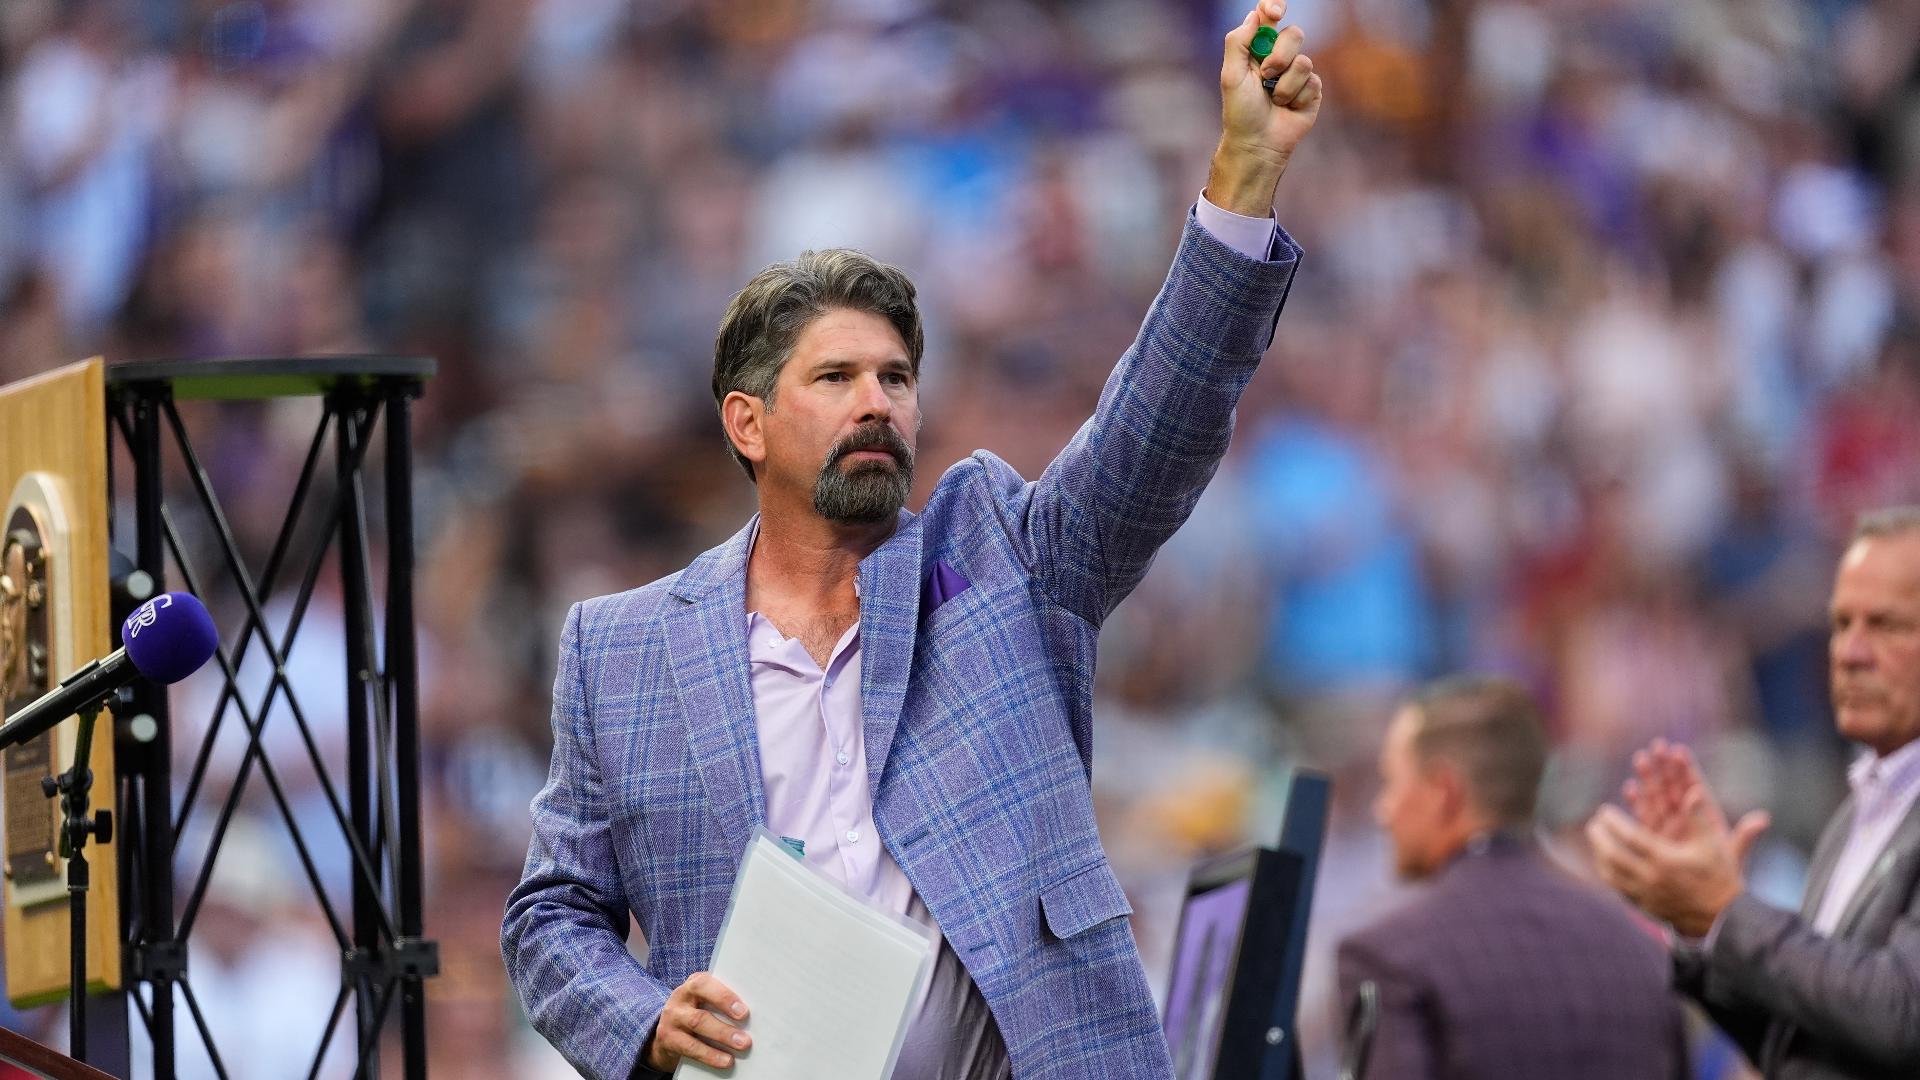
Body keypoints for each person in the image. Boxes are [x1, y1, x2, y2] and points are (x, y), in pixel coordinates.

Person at [499, 4, 1323, 1078]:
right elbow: (552, 915)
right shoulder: (618, 652)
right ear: (747, 423)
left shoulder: (1002, 560)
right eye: (835, 379)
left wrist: (1243, 180)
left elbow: (1152, 432)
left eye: (896, 378)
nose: (877, 402)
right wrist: (645, 1022)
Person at [1588, 508, 1920, 1079]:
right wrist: (1700, 927)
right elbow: (1802, 1043)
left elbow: (1903, 1017)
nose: (1850, 652)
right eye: (1841, 624)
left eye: (1886, 625)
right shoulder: (1858, 813)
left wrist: (1728, 910)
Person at [1336, 676, 1689, 1080]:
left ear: (1442, 792)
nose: (1384, 810)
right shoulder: (1642, 952)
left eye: (1391, 783)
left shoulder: (1389, 957)